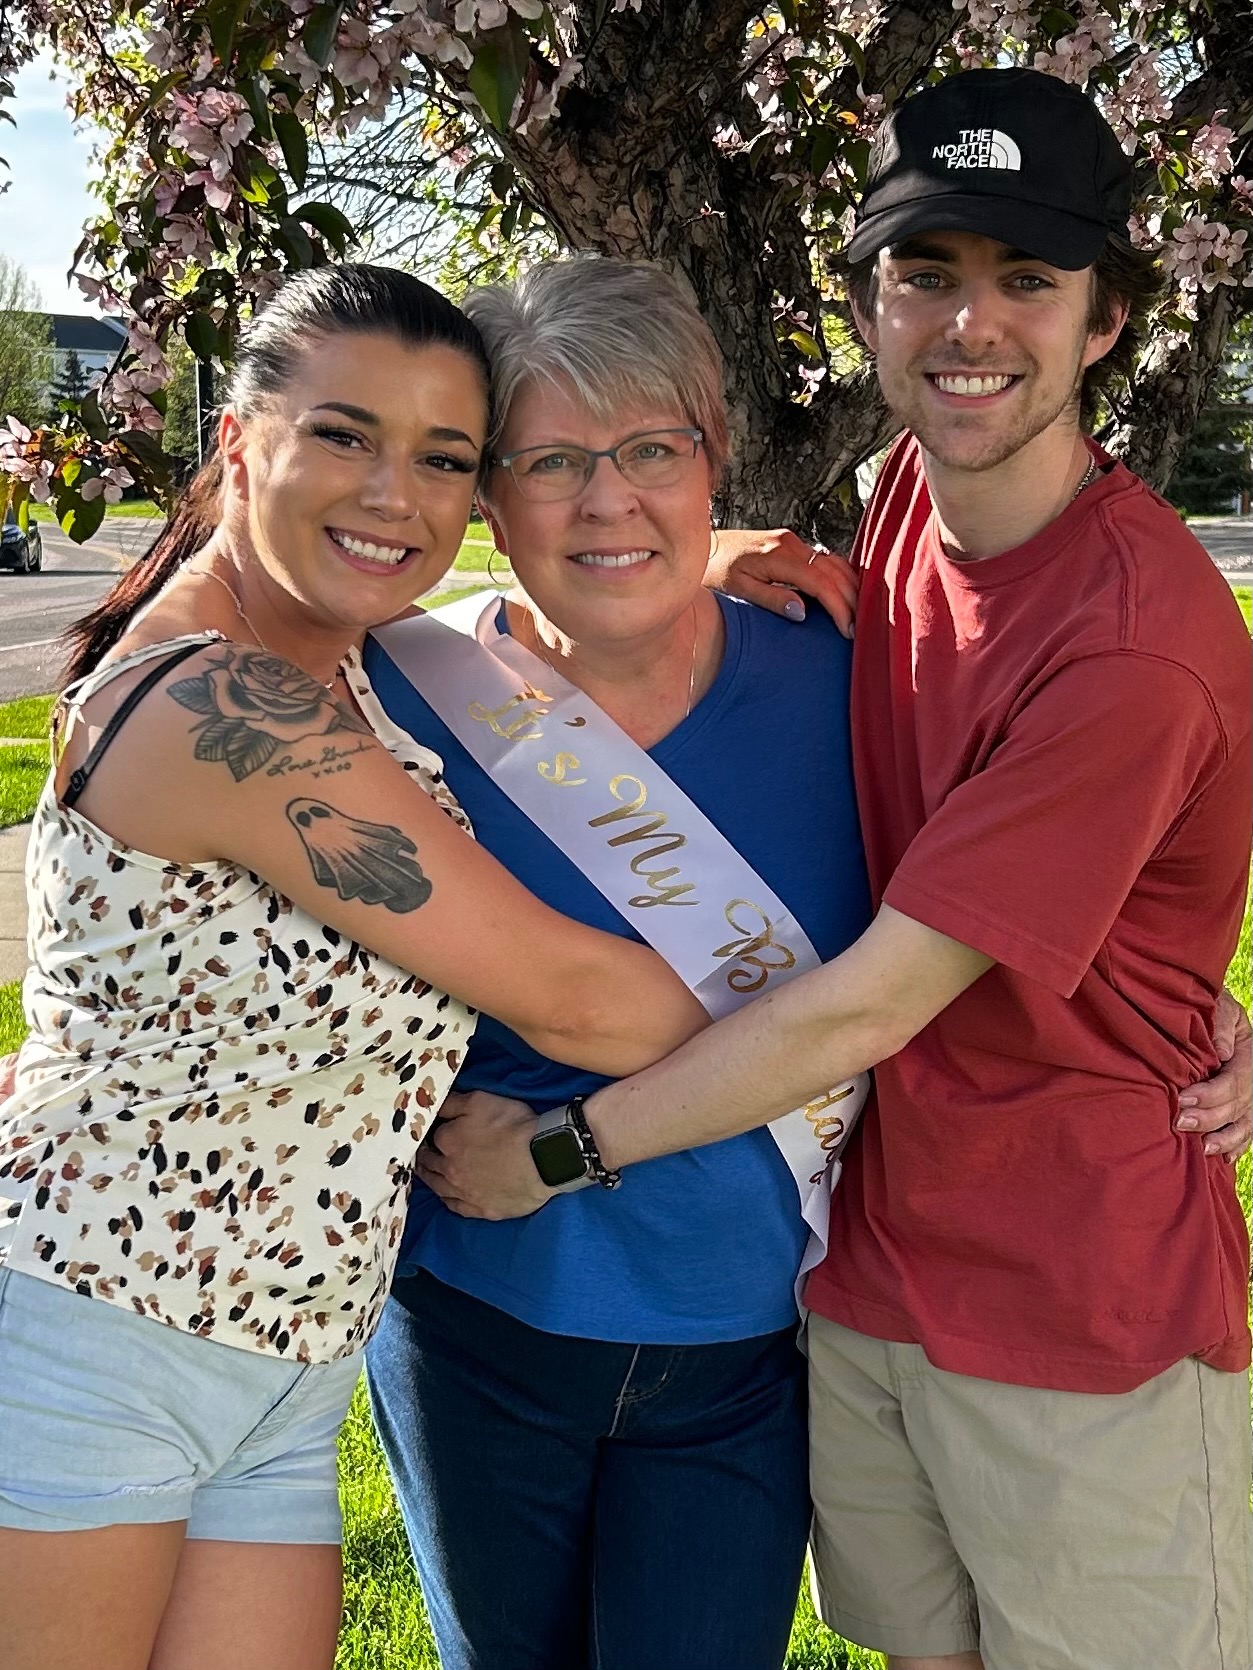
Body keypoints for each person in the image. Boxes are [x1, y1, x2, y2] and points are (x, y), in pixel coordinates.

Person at [422, 70, 1252, 1670]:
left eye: (1026, 278)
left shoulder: (1131, 647)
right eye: (925, 272)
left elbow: (868, 1004)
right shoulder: (904, 511)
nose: (969, 324)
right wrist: (706, 553)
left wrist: (556, 1153)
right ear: (869, 304)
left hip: (1073, 1299)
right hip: (867, 1273)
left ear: (1105, 318)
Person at [0, 264, 708, 1670]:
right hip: (91, 1347)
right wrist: (861, 995)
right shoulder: (222, 701)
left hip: (286, 1372)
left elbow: (560, 588)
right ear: (238, 441)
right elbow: (586, 1002)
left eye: (443, 458)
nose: (395, 495)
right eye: (344, 436)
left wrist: (724, 567)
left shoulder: (341, 660)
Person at [360, 255, 871, 1670]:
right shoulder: (392, 698)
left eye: (652, 450)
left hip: (749, 1349)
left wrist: (1190, 1011)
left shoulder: (852, 678)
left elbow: (1003, 900)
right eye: (551, 462)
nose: (607, 501)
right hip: (476, 1326)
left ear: (713, 454)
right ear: (489, 491)